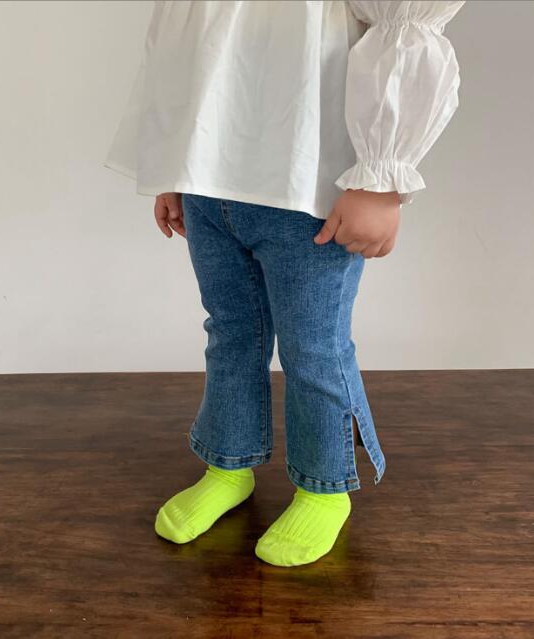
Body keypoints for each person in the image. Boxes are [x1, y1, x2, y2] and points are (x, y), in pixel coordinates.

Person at [104, 0, 465, 567]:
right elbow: (182, 39)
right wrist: (173, 163)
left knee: (313, 346)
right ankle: (228, 464)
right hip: (208, 177)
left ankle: (324, 487)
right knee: (231, 332)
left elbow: (403, 24)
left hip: (308, 179)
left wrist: (380, 176)